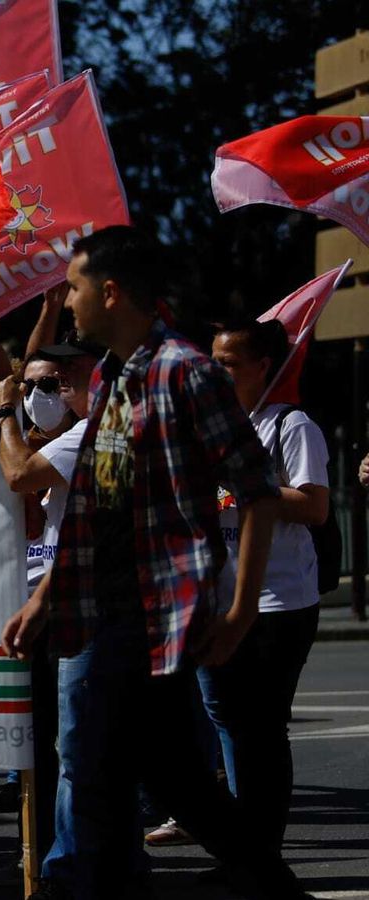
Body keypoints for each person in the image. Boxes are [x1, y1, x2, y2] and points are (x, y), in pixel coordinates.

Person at [0, 226, 307, 900]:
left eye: (75, 288)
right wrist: (45, 596)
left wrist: (240, 609)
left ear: (111, 292)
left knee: (109, 763)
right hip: (94, 607)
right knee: (151, 771)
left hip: (153, 616)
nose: (70, 302)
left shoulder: (186, 373)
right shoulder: (114, 375)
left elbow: (255, 494)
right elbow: (97, 509)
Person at [200, 319, 330, 858]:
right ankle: (241, 847)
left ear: (262, 368)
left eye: (228, 363)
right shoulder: (208, 428)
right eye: (213, 362)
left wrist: (247, 485)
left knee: (262, 731)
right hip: (216, 599)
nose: (216, 373)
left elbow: (314, 507)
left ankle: (260, 855)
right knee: (228, 724)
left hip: (279, 604)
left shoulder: (290, 425)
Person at [0, 334, 102, 880]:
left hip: (70, 608)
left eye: (49, 384)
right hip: (33, 607)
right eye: (27, 386)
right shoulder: (39, 440)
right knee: (42, 743)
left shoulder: (84, 438)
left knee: (72, 745)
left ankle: (71, 863)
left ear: (79, 381)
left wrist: (6, 410)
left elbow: (18, 475)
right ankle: (51, 853)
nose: (37, 395)